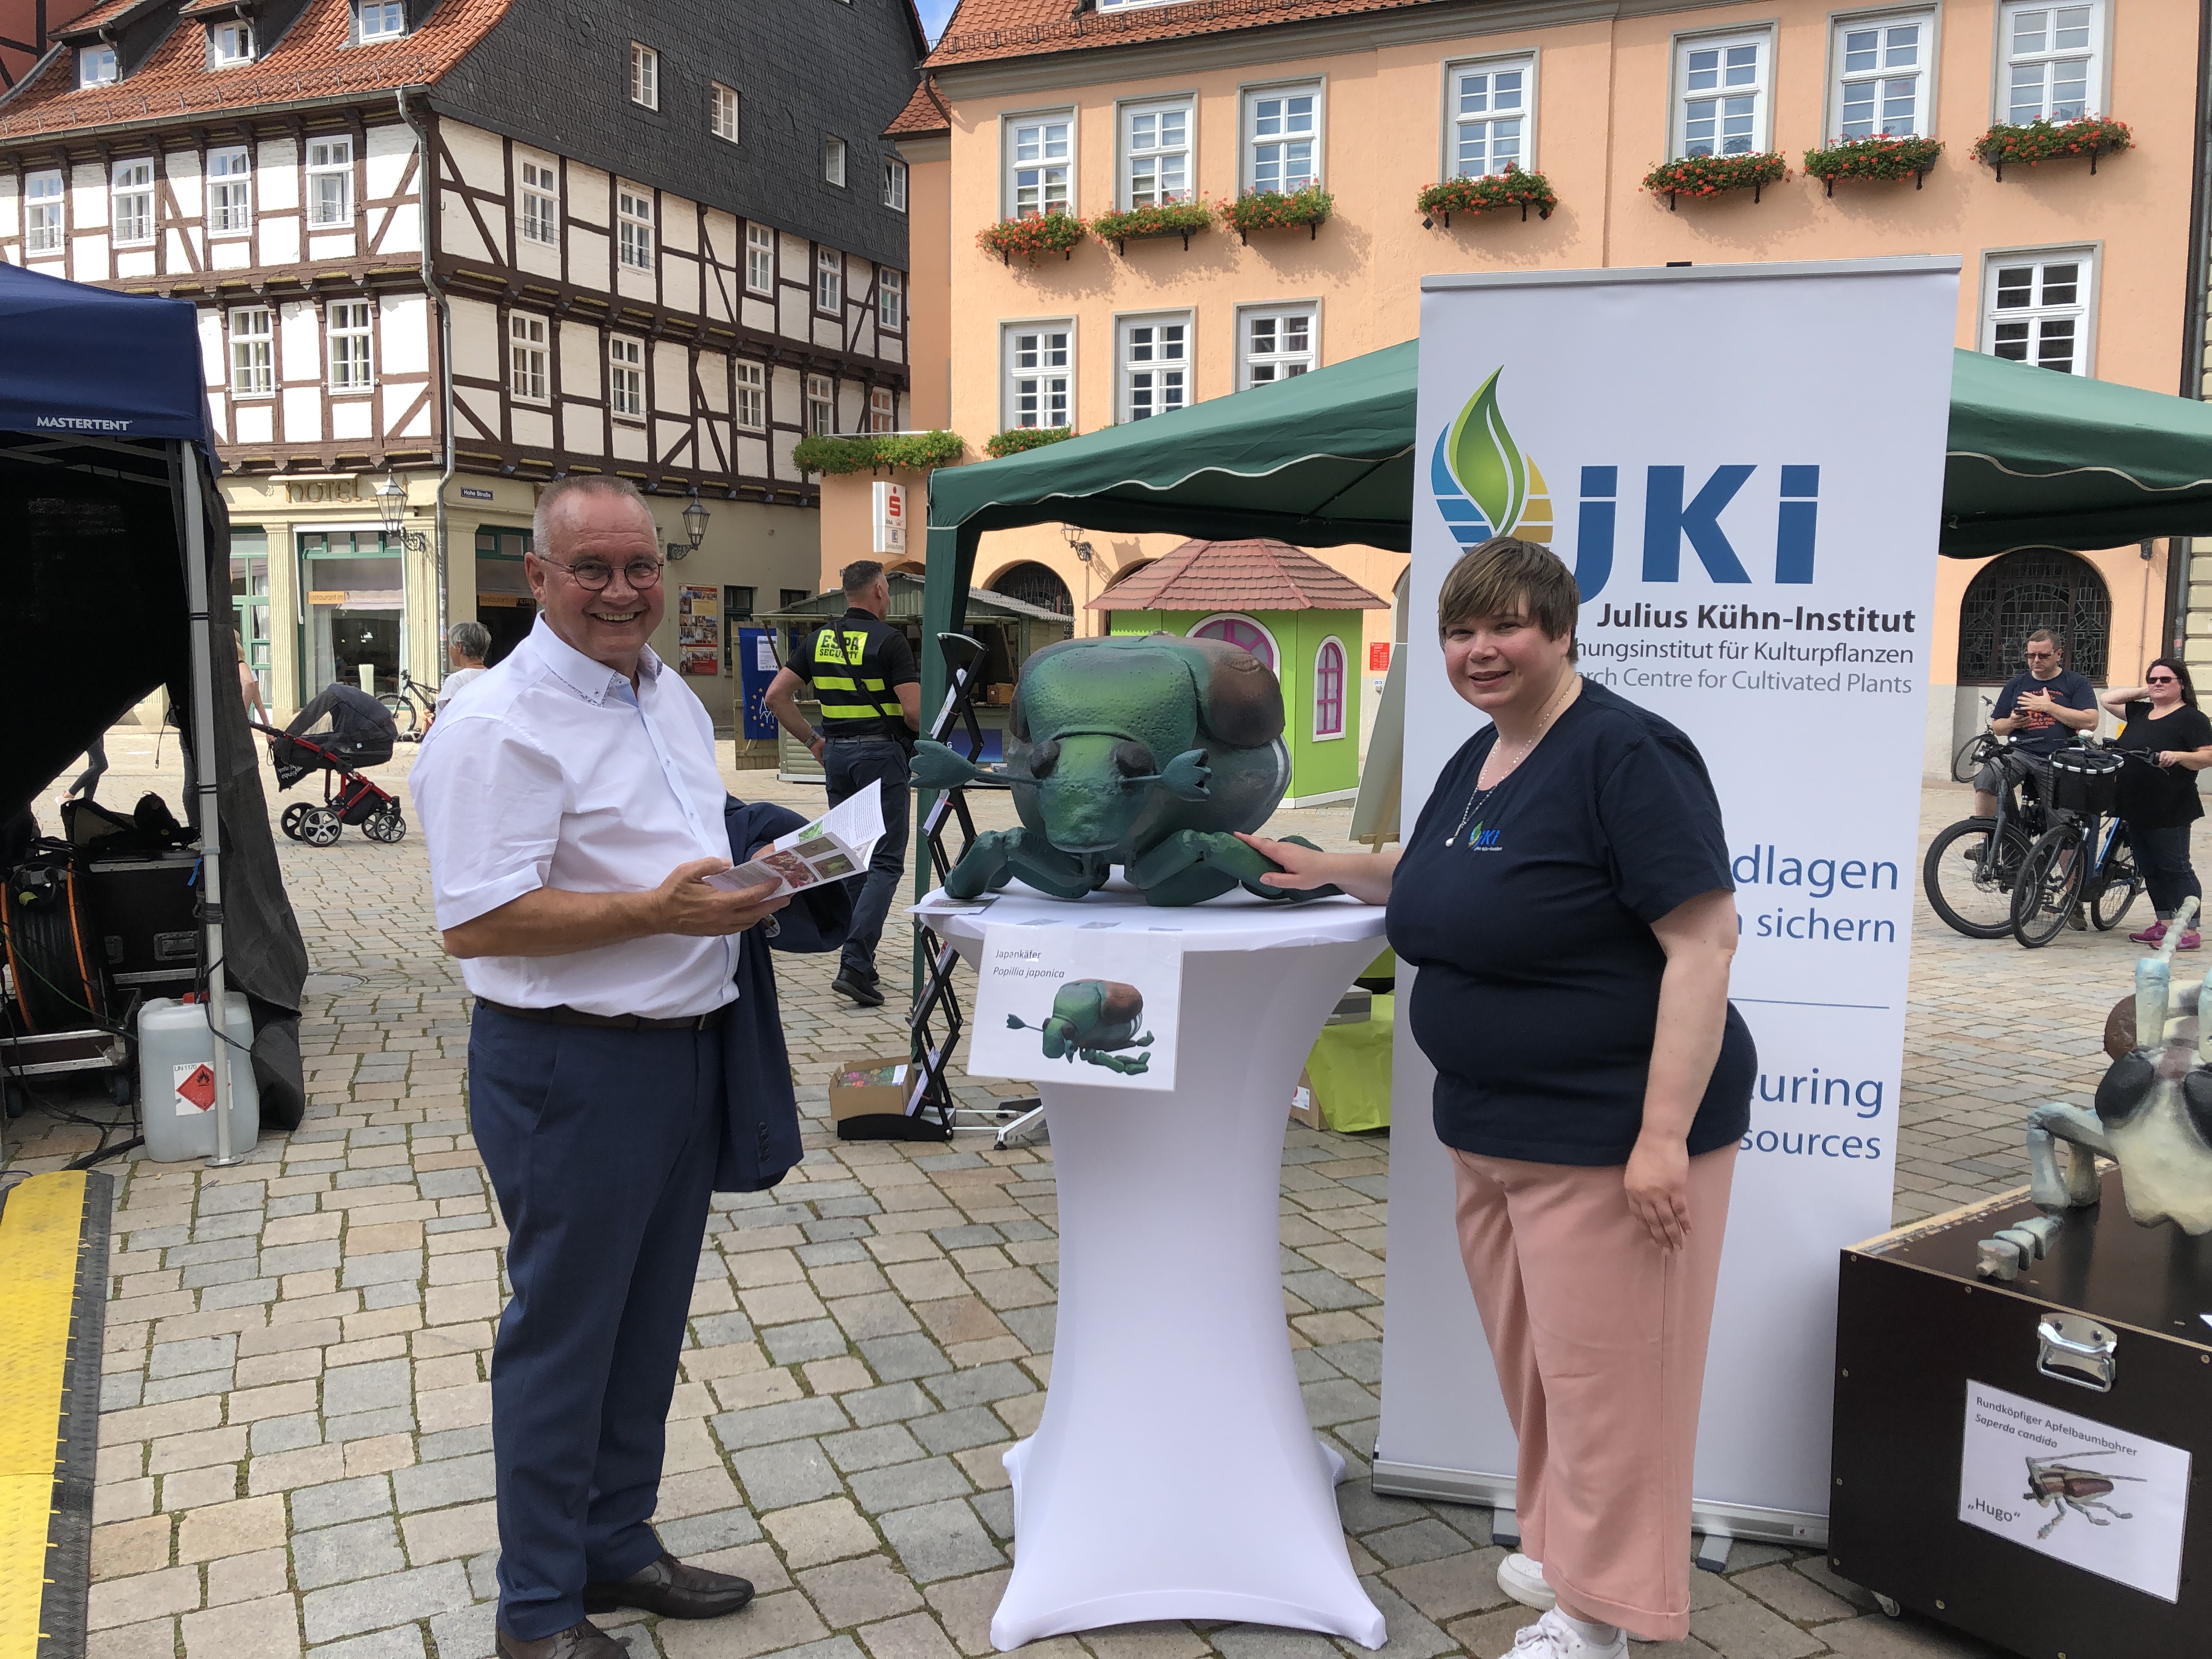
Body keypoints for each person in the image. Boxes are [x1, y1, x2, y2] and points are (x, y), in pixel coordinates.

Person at [1240, 537, 1752, 1658]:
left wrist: (1660, 1138)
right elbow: (1430, 876)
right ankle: (1575, 1547)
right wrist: (1328, 864)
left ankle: (1604, 1614)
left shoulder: (1626, 752)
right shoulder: (1485, 754)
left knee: (1616, 1385)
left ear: (1563, 632)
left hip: (1609, 1134)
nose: (1481, 650)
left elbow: (1704, 944)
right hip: (1494, 1128)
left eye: (1507, 626)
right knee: (1545, 1370)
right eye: (1462, 632)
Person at [411, 476, 787, 1659]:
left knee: (646, 1327)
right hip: (570, 1070)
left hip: (684, 1051)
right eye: (593, 570)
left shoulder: (662, 689)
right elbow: (478, 921)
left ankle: (615, 1543)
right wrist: (655, 913)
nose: (624, 590)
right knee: (566, 1337)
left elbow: (678, 833)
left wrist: (764, 863)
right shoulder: (497, 722)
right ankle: (535, 1614)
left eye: (640, 568)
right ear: (538, 580)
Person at [761, 559, 920, 1007]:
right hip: (881, 755)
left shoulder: (818, 640)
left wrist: (814, 740)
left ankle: (860, 962)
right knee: (886, 862)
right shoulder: (891, 641)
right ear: (879, 590)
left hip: (839, 758)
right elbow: (912, 712)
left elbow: (776, 696)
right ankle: (854, 962)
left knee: (853, 856)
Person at [2101, 658, 2212, 950]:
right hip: (2134, 803)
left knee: (2175, 868)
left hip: (2170, 805)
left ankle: (2189, 930)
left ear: (2182, 685)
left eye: (2166, 680)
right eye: (2153, 680)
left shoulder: (2192, 718)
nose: (2158, 684)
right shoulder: (2141, 711)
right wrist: (2145, 691)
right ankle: (2164, 923)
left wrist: (2180, 756)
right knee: (2149, 868)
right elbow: (2107, 698)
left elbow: (2208, 756)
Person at [1972, 628, 2099, 820]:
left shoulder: (2076, 683)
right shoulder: (2016, 684)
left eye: (2043, 655)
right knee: (1987, 779)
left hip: (2060, 756)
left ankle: (2057, 845)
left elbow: (2091, 721)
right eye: (2031, 655)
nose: (2036, 660)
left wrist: (2049, 707)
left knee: (2064, 824)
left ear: (2058, 654)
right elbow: (1998, 727)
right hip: (2021, 752)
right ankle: (1986, 839)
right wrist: (2012, 722)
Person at [284, 677, 398, 769]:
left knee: (317, 747)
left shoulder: (339, 696)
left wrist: (287, 737)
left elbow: (310, 716)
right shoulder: (343, 696)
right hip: (376, 735)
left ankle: (287, 745)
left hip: (375, 741)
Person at [425, 619, 492, 734]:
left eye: (450, 645)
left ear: (459, 647)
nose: (449, 649)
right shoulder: (494, 676)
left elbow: (445, 722)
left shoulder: (456, 681)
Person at [236, 630, 268, 727]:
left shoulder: (240, 668)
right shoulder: (250, 672)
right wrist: (268, 729)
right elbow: (258, 703)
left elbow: (249, 683)